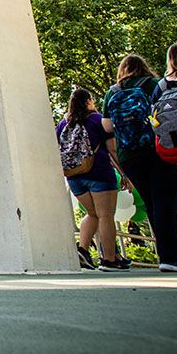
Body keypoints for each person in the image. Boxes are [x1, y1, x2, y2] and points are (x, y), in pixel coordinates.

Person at [103, 55, 177, 272]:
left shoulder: (113, 92)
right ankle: (171, 257)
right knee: (167, 202)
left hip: (129, 156)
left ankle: (165, 255)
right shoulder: (155, 85)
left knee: (152, 205)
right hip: (158, 150)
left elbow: (107, 126)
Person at [57, 88, 130, 272]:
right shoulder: (97, 120)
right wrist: (124, 173)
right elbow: (112, 148)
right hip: (99, 173)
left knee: (92, 214)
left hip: (74, 176)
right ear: (89, 101)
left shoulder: (64, 124)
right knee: (106, 216)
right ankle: (109, 259)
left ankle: (82, 249)